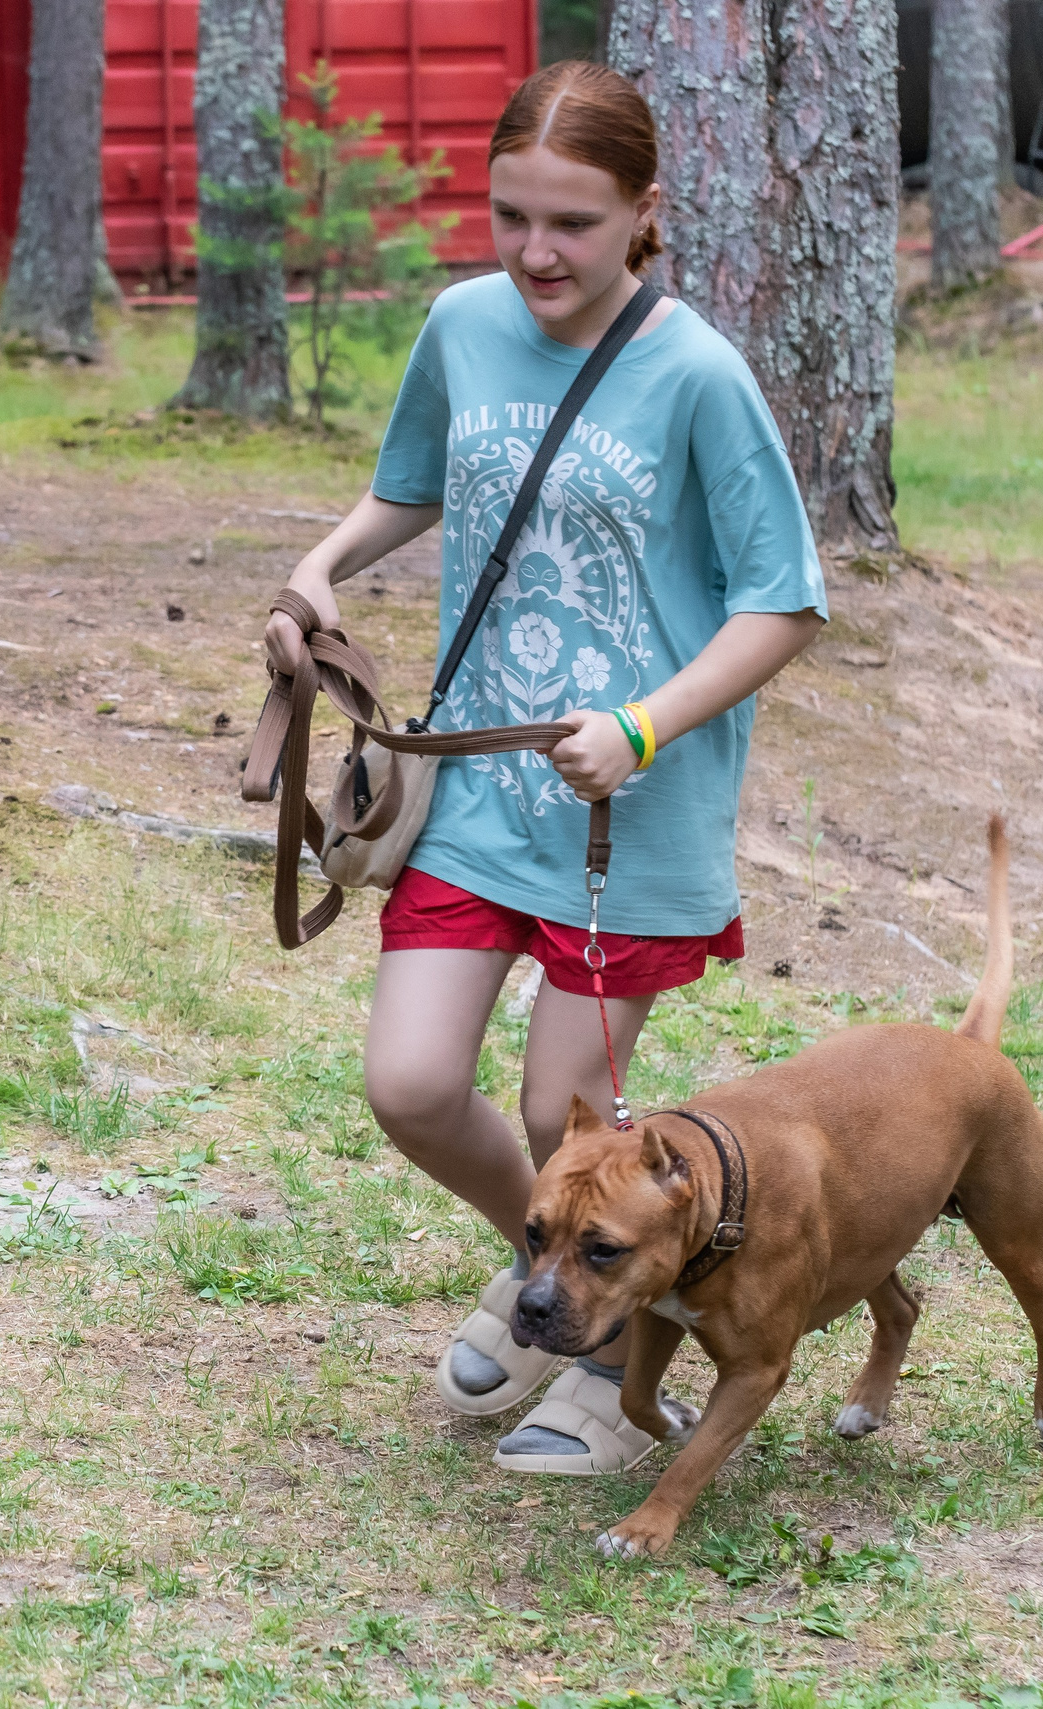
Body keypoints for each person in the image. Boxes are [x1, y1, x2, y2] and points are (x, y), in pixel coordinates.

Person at [261, 61, 827, 1475]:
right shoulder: (464, 326)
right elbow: (418, 481)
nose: (534, 254)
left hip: (625, 819)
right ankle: (562, 1282)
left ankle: (606, 1348)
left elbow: (786, 599)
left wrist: (641, 725)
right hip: (477, 798)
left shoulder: (695, 372)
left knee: (550, 1106)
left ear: (645, 210)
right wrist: (322, 566)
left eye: (573, 222)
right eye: (512, 214)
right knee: (407, 1081)